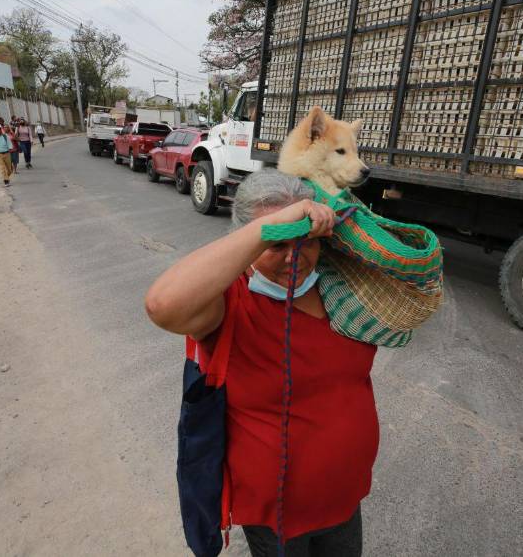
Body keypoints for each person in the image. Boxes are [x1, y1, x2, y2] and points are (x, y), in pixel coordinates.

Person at [145, 171, 375, 556]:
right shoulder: (229, 302)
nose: (293, 258)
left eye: (305, 242)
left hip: (345, 497)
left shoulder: (336, 289)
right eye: (276, 244)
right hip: (276, 515)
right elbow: (162, 305)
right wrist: (269, 226)